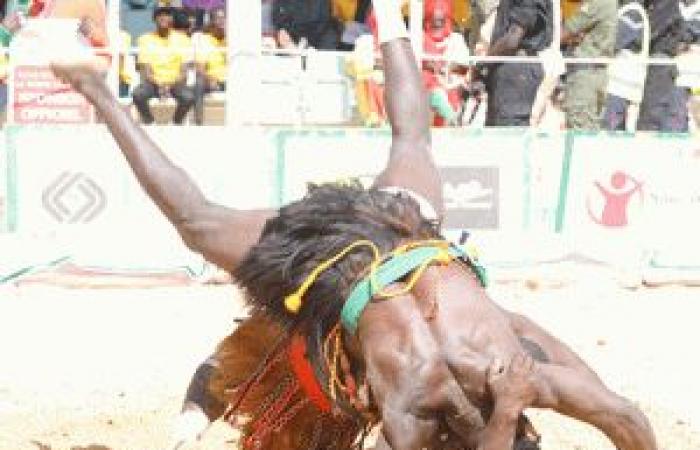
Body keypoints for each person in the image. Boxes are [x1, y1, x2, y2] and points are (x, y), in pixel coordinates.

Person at [50, 0, 657, 448]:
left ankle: (389, 20)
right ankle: (95, 90)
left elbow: (625, 418)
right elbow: (623, 418)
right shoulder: (429, 400)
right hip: (363, 261)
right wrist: (507, 416)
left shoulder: (494, 380)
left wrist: (510, 413)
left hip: (384, 248)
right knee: (199, 222)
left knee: (408, 141)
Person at [483, 0, 554, 126]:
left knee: (508, 134)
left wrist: (483, 64)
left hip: (516, 70)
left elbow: (513, 40)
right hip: (510, 66)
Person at [132, 6, 195, 125]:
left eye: (167, 15)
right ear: (154, 19)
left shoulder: (183, 39)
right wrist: (160, 85)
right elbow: (146, 71)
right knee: (138, 94)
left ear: (172, 19)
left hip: (175, 83)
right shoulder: (145, 39)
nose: (163, 18)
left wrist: (170, 85)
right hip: (153, 83)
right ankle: (150, 123)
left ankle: (175, 123)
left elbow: (184, 71)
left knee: (188, 97)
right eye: (159, 15)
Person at [561, 0, 617, 130]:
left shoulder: (596, 3)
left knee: (579, 127)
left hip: (585, 74)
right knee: (590, 129)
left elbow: (565, 31)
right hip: (597, 72)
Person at [193, 6, 225, 125]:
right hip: (211, 80)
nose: (222, 21)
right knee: (199, 82)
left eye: (224, 18)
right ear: (211, 22)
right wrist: (210, 79)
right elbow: (199, 68)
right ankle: (199, 122)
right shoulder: (204, 39)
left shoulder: (234, 38)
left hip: (232, 81)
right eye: (218, 18)